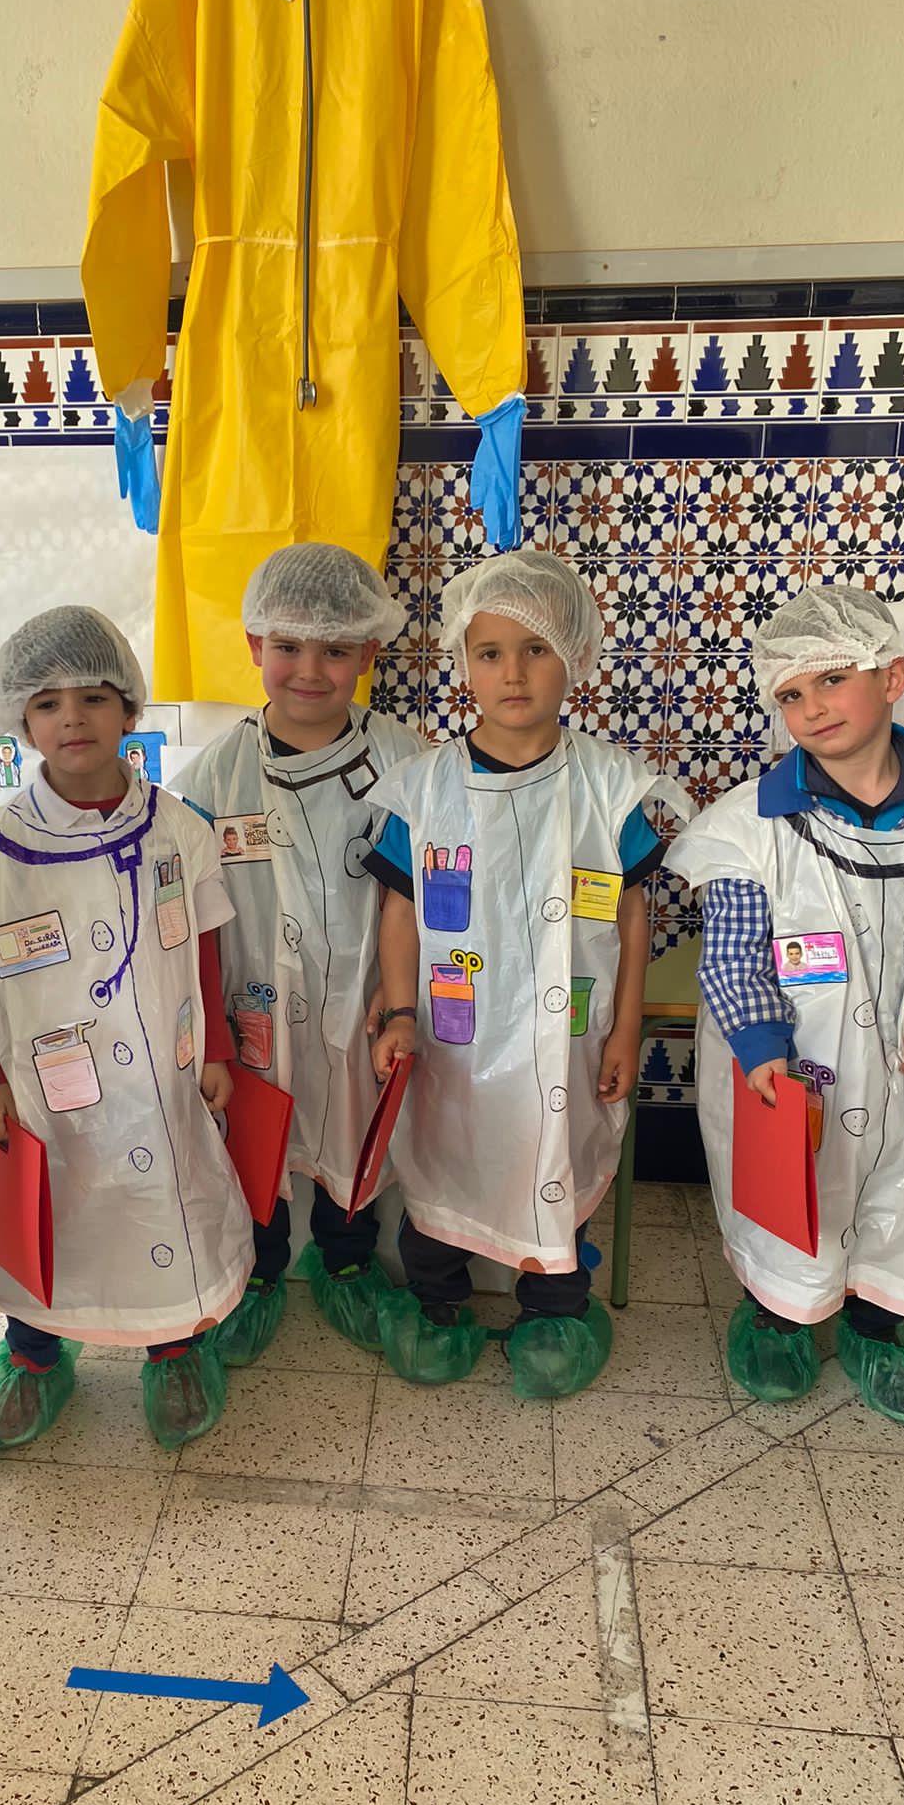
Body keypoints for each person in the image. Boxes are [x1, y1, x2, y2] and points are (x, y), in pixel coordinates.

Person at [666, 585, 904, 1427]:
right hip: (800, 1068)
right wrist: (760, 1044)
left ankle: (876, 1327)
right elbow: (734, 950)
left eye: (832, 680)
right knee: (798, 1196)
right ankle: (779, 1315)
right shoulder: (751, 823)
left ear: (891, 678)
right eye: (791, 694)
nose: (813, 707)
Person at [367, 553, 675, 1396]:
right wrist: (399, 1011)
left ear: (574, 656)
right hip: (451, 1041)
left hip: (568, 1041)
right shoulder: (423, 790)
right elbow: (398, 910)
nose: (513, 673)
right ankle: (435, 1301)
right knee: (446, 1163)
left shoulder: (608, 786)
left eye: (536, 650)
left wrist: (626, 1027)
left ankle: (556, 1309)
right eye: (491, 652)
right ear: (462, 663)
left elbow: (632, 914)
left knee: (556, 1160)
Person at [0, 606, 253, 1451]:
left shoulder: (177, 827)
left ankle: (175, 1346)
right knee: (56, 1217)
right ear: (21, 722)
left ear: (129, 709)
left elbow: (204, 945)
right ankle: (35, 1354)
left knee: (169, 1204)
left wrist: (217, 1048)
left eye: (93, 697)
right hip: (45, 1091)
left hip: (164, 1078)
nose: (73, 718)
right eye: (47, 703)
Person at [171, 543, 425, 1361]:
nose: (310, 670)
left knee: (355, 1124)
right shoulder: (213, 778)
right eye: (287, 646)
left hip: (367, 999)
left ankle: (348, 1263)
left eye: (335, 650)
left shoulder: (405, 763)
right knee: (259, 1134)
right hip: (253, 1004)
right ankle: (260, 1270)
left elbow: (421, 896)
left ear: (368, 654)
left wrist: (400, 998)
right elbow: (192, 918)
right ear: (253, 646)